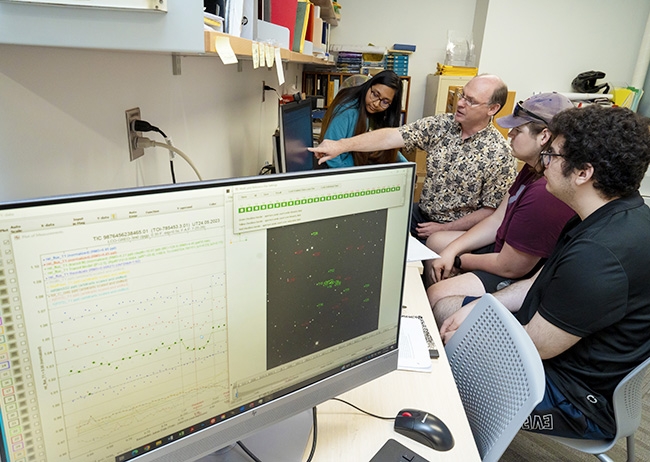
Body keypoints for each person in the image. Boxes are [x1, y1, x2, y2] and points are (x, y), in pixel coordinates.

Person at [439, 105, 650, 440]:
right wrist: (481, 307)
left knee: (442, 362)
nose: (545, 162)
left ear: (583, 173)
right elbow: (538, 281)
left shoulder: (599, 255)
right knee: (447, 308)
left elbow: (537, 345)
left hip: (575, 404)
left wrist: (473, 331)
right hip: (555, 355)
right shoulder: (606, 214)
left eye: (552, 154)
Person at [424, 93, 576, 326]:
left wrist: (460, 261)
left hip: (516, 271)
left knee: (437, 295)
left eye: (518, 130)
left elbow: (510, 267)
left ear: (544, 136)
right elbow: (497, 219)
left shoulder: (544, 193)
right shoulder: (530, 168)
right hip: (504, 248)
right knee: (437, 242)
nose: (510, 134)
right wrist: (452, 249)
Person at [310, 74, 517, 240]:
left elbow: (491, 212)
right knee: (366, 226)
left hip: (455, 231)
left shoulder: (499, 154)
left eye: (470, 101)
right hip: (421, 215)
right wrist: (340, 145)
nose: (460, 104)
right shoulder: (442, 125)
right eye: (462, 95)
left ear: (492, 109)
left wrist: (446, 228)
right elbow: (393, 136)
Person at [319, 70, 407, 168]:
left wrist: (407, 165)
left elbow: (386, 142)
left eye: (385, 102)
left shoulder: (379, 113)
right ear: (369, 85)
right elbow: (329, 154)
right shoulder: (347, 110)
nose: (376, 104)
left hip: (361, 166)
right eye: (375, 94)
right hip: (343, 170)